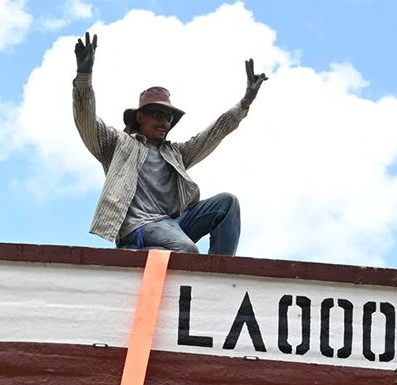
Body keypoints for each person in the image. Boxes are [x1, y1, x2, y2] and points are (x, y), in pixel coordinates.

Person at [71, 32, 267, 254]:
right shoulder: (118, 145)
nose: (164, 121)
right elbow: (86, 120)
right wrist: (84, 76)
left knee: (227, 203)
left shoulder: (175, 153)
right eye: (157, 114)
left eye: (168, 117)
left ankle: (221, 276)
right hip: (140, 226)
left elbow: (214, 133)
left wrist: (244, 104)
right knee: (186, 250)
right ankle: (139, 249)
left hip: (174, 224)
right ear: (140, 117)